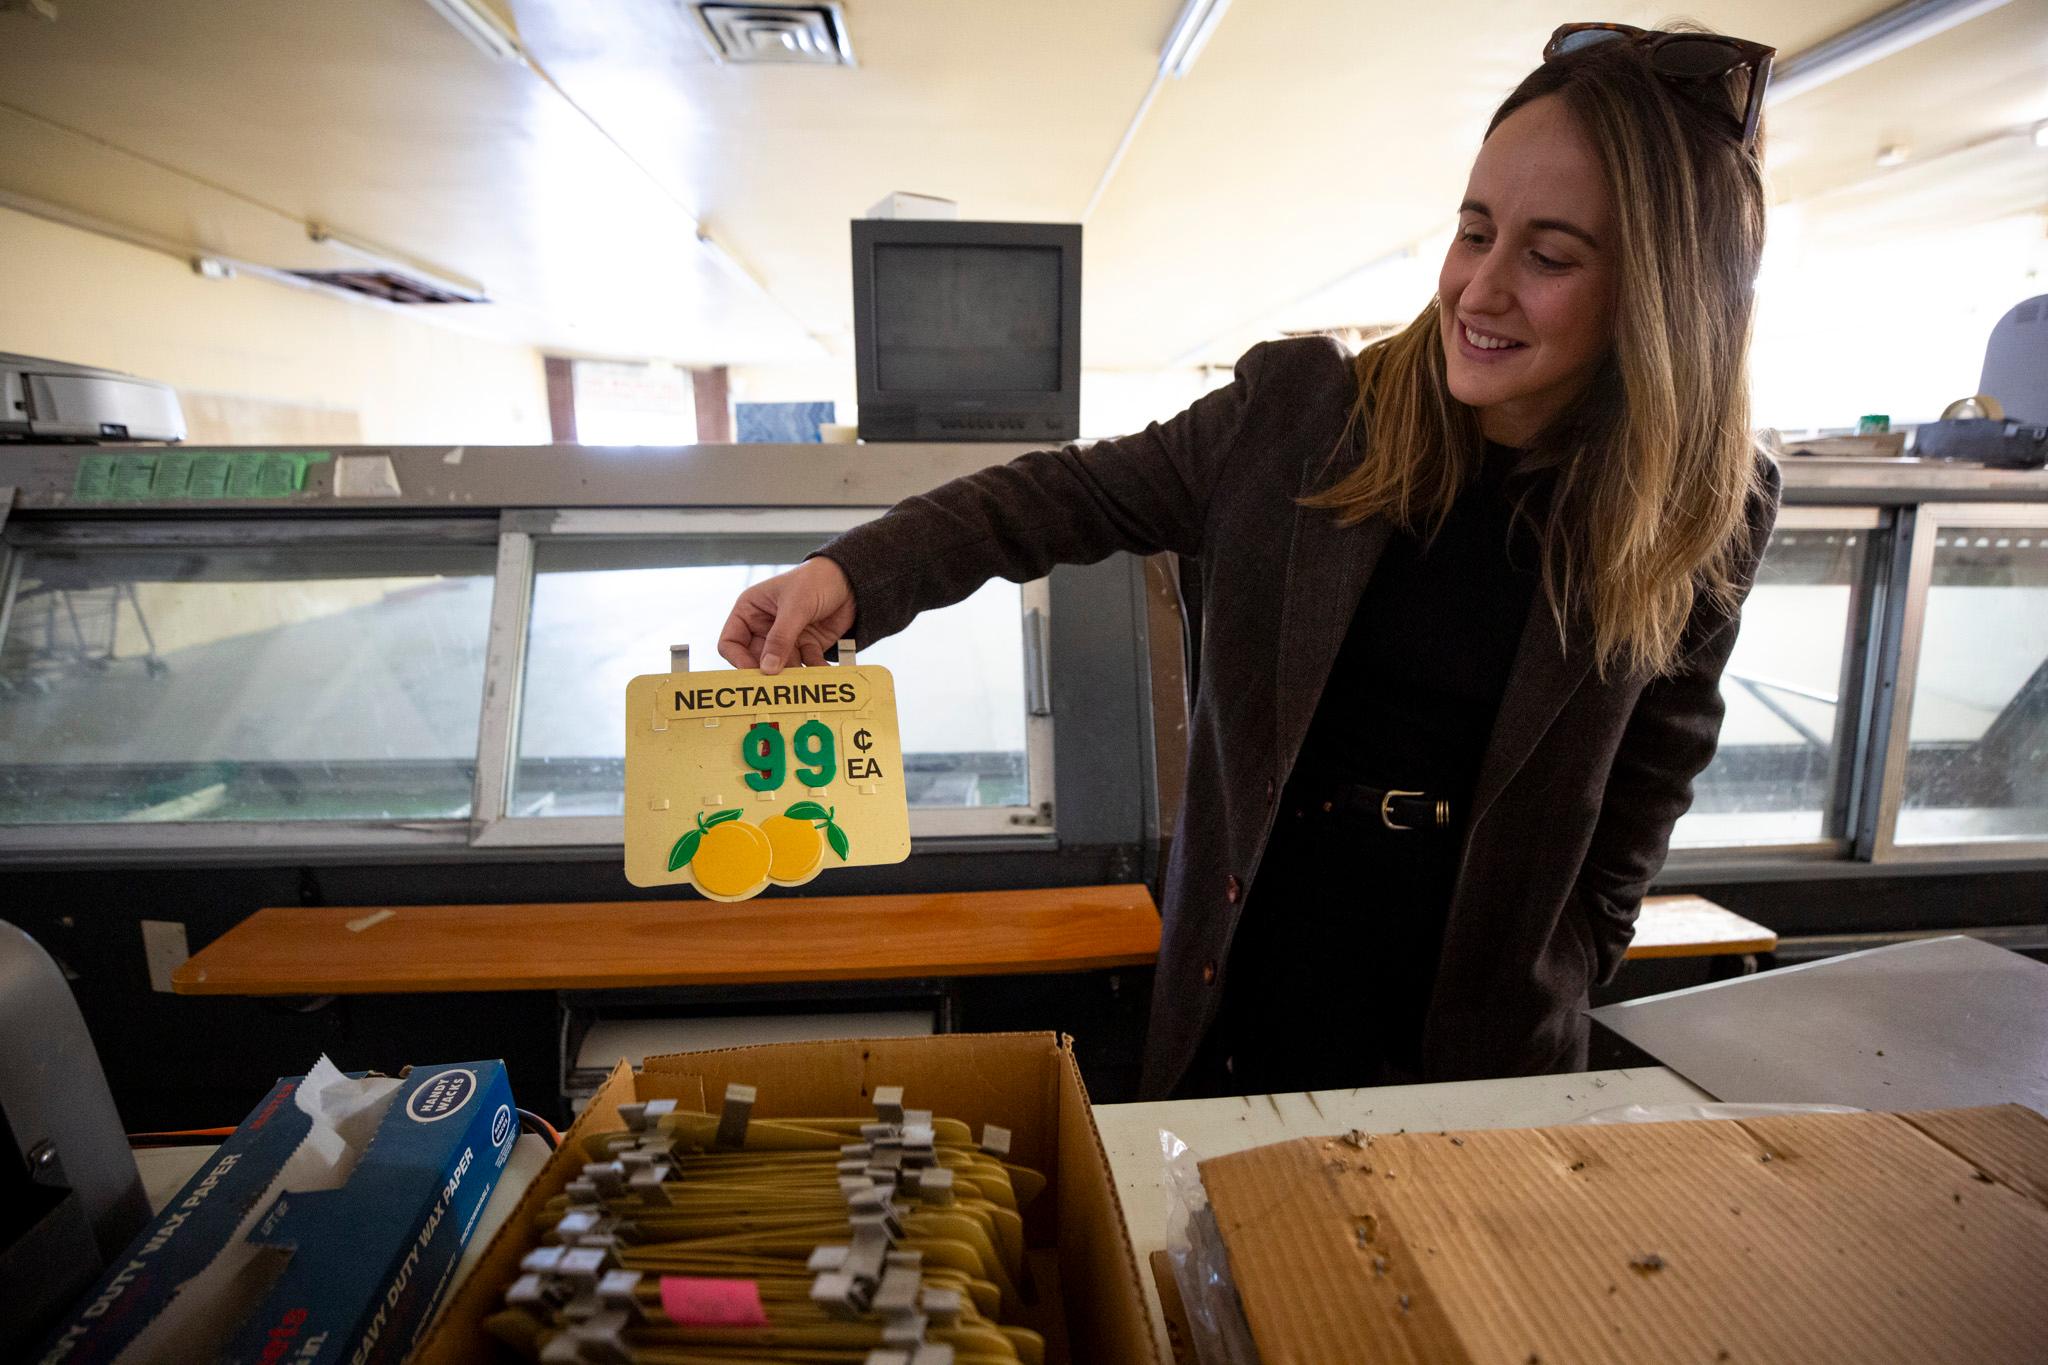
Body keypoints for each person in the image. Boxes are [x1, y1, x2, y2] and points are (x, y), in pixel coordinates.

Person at [717, 24, 1784, 1100]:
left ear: (1660, 292)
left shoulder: (1708, 508)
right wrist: (851, 576)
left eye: (1548, 257)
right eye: (1473, 232)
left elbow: (1650, 780)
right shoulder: (1300, 418)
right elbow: (1060, 498)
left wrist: (1569, 960)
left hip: (1484, 1055)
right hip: (1246, 1004)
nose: (1478, 290)